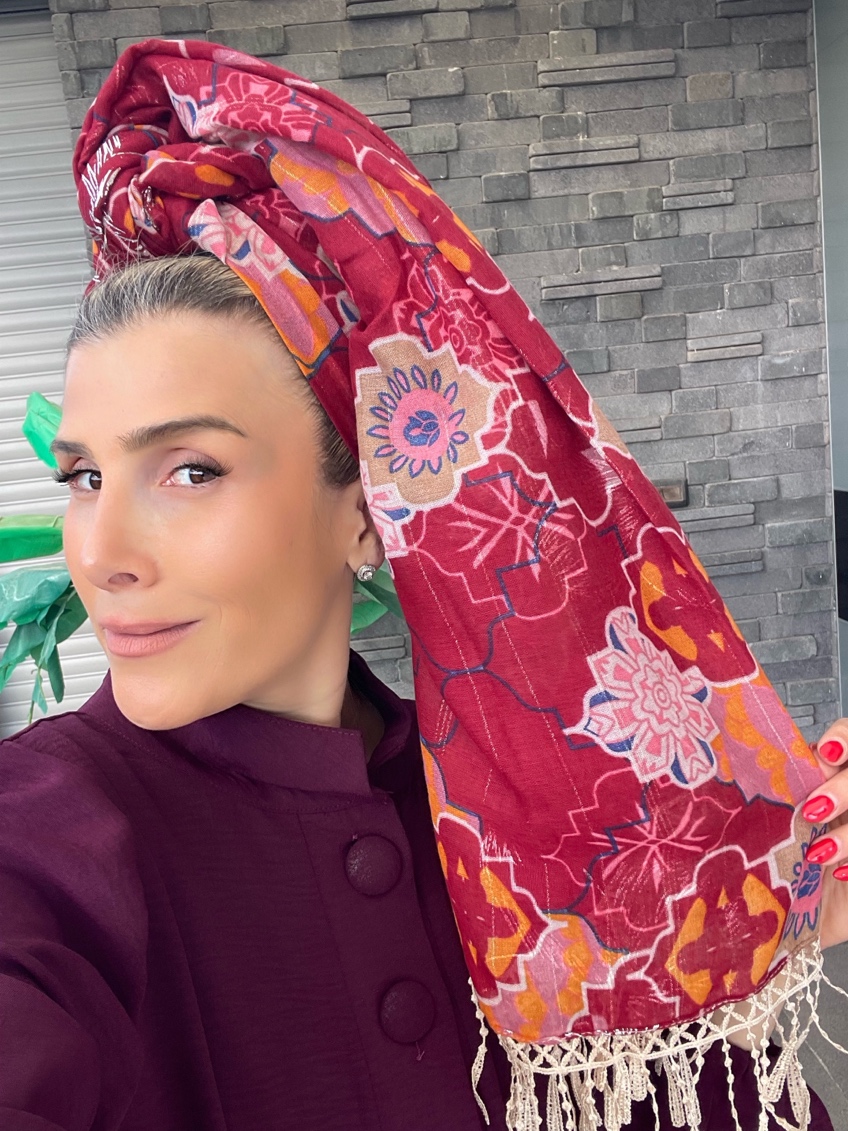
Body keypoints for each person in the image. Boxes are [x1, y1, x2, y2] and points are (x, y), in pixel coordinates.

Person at [2, 36, 848, 1131]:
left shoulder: (549, 820)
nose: (102, 549)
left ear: (369, 506)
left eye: (191, 470)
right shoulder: (46, 839)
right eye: (83, 476)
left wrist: (769, 907)